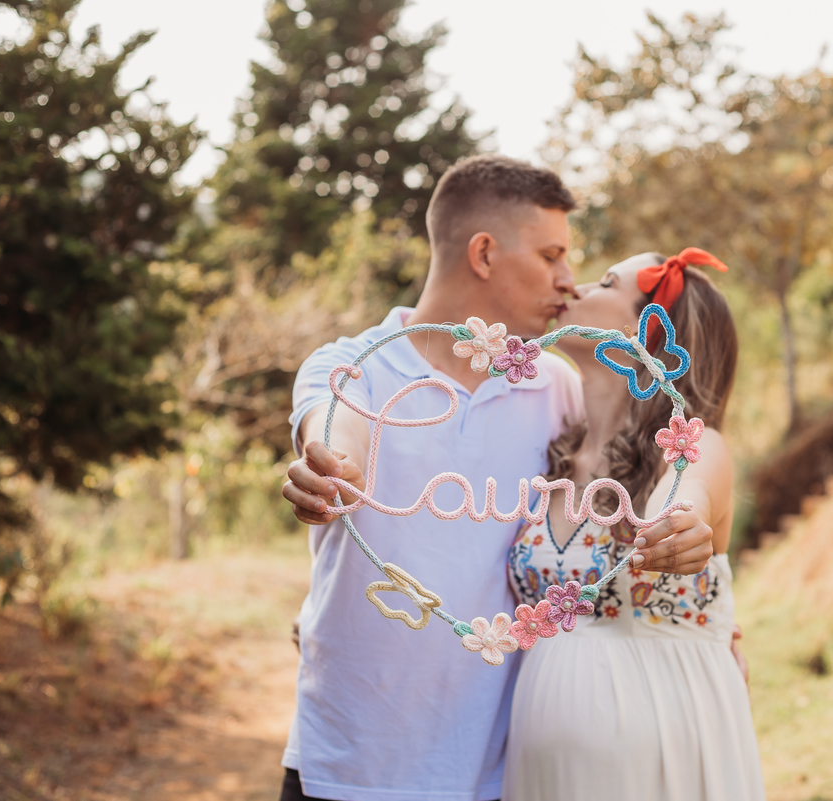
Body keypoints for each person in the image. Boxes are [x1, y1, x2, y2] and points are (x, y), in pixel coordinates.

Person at [279, 156, 717, 801]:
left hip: (494, 773)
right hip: (344, 766)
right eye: (551, 255)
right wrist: (330, 469)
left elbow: (661, 482)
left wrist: (712, 621)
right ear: (483, 253)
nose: (567, 280)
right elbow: (335, 428)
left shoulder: (559, 391)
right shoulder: (352, 367)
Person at [503, 249, 766, 800]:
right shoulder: (549, 450)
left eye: (605, 283)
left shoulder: (697, 447)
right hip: (543, 767)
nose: (574, 288)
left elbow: (687, 493)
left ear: (645, 332)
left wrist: (681, 522)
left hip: (663, 741)